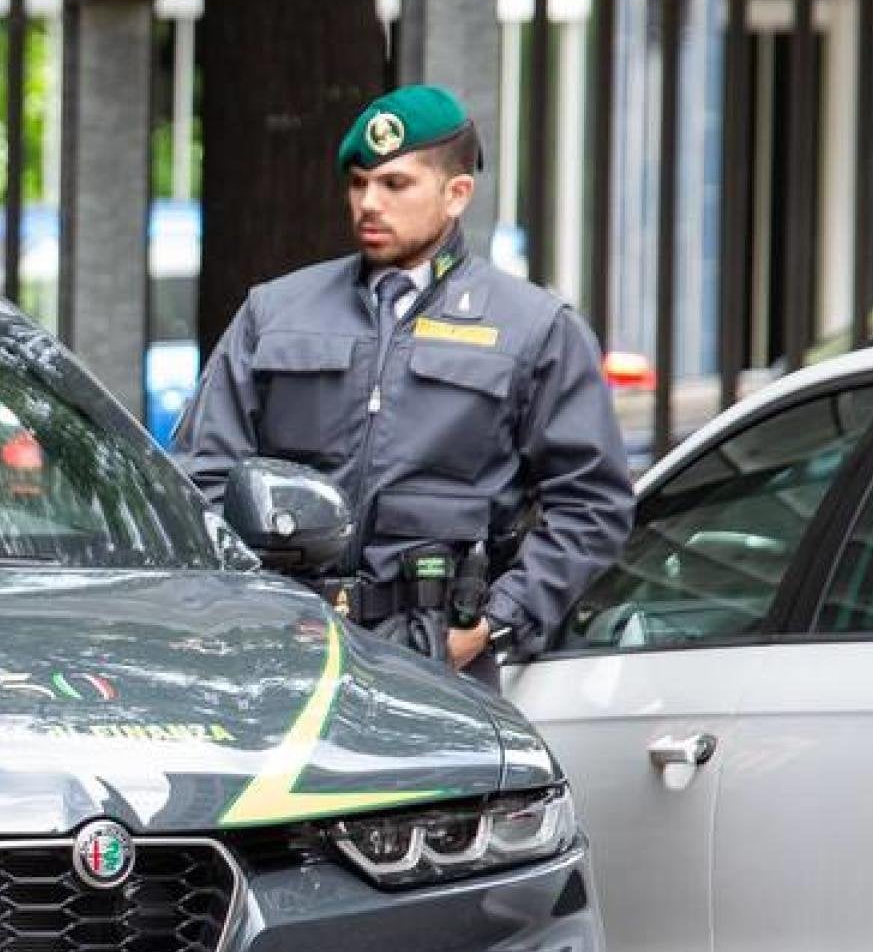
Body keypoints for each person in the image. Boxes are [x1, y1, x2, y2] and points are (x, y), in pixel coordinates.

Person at [175, 83, 633, 683]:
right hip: (282, 646)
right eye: (358, 182)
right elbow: (200, 473)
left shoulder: (534, 328)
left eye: (395, 184)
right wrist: (246, 602)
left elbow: (593, 504)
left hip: (436, 659)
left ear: (456, 194)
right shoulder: (276, 310)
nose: (369, 202)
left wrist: (494, 621)